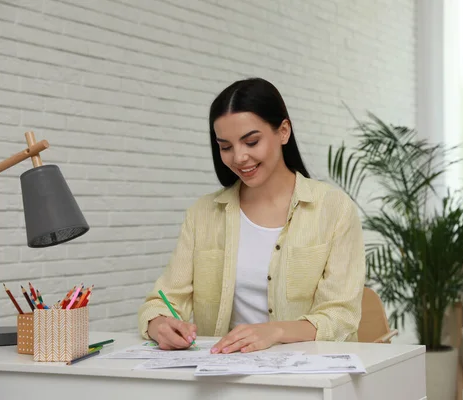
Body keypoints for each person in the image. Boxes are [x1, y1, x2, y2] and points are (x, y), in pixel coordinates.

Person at [137, 77, 365, 354]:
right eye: (226, 146)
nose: (239, 157)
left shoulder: (334, 209)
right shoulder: (203, 215)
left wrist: (275, 331)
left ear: (283, 132)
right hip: (224, 379)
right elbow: (162, 300)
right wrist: (159, 323)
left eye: (251, 142)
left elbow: (341, 316)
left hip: (311, 380)